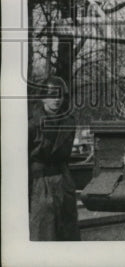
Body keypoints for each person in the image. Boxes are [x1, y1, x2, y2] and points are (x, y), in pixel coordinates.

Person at [28, 75, 81, 240]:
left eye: (60, 95)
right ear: (43, 98)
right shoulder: (31, 125)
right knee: (44, 235)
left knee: (68, 236)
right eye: (51, 95)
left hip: (63, 183)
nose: (57, 100)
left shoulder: (69, 122)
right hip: (40, 183)